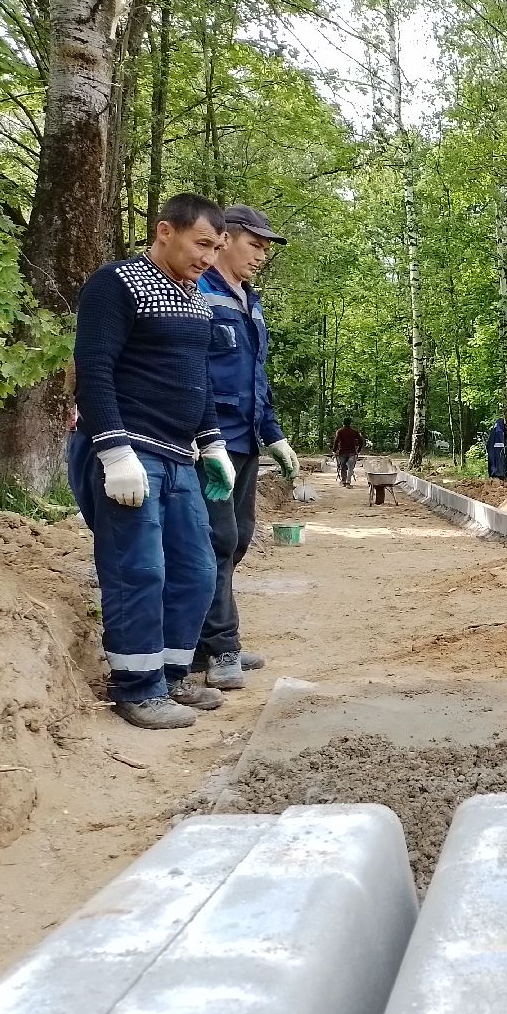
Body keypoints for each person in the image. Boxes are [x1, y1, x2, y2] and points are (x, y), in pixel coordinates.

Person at [68, 193, 238, 730]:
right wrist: (114, 451)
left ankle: (171, 674)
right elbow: (93, 369)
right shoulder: (118, 284)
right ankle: (137, 688)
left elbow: (198, 380)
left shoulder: (193, 299)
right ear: (165, 231)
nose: (209, 258)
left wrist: (211, 443)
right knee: (138, 569)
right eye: (201, 244)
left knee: (196, 569)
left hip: (178, 455)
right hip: (129, 451)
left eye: (216, 248)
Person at [192, 205, 298, 691]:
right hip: (210, 443)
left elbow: (256, 378)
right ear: (225, 240)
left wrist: (272, 432)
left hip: (245, 441)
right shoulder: (198, 293)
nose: (262, 256)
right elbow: (192, 375)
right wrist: (202, 436)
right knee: (214, 541)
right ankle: (221, 647)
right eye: (255, 245)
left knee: (235, 541)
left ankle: (199, 640)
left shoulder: (248, 301)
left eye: (266, 249)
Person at [332, 418, 365, 486]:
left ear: (343, 423)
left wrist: (334, 450)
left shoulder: (340, 431)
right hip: (352, 452)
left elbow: (336, 441)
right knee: (351, 467)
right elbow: (361, 441)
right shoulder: (354, 431)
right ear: (350, 423)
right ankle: (348, 482)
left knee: (342, 466)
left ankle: (343, 481)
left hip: (342, 451)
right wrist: (359, 450)